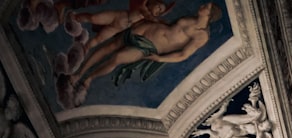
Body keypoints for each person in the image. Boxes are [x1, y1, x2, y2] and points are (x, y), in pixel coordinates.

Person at [69, 3, 221, 96]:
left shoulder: (202, 36)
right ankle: (79, 74)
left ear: (209, 15)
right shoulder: (190, 18)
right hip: (147, 29)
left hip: (150, 46)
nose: (202, 6)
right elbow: (171, 27)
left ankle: (88, 79)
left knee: (117, 58)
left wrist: (160, 58)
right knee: (109, 47)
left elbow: (183, 54)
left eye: (206, 7)